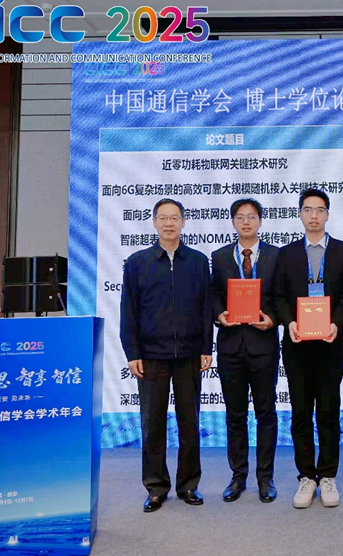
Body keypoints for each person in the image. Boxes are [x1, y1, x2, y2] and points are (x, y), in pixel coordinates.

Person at [119, 198, 213, 513]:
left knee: (190, 422)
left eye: (175, 218)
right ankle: (156, 487)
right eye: (163, 218)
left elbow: (205, 308)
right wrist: (132, 351)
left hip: (188, 354)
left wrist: (206, 347)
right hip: (151, 356)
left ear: (184, 222)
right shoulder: (137, 262)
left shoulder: (198, 261)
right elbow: (128, 311)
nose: (169, 223)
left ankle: (189, 485)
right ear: (154, 222)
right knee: (153, 424)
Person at [271, 187, 343, 508]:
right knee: (301, 413)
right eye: (308, 210)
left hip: (332, 344)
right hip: (297, 345)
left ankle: (328, 475)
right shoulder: (287, 254)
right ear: (300, 214)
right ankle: (307, 476)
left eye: (320, 210)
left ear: (328, 215)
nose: (314, 216)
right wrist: (290, 322)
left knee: (329, 412)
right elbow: (279, 297)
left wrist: (336, 323)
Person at [210, 198, 280, 503]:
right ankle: (238, 476)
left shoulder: (276, 255)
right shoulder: (220, 256)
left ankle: (265, 477)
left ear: (260, 221)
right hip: (230, 345)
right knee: (235, 415)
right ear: (233, 222)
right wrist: (219, 314)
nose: (246, 222)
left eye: (252, 217)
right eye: (240, 217)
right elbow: (213, 293)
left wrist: (273, 318)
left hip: (263, 344)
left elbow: (282, 294)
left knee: (266, 413)